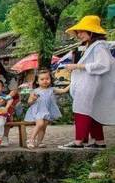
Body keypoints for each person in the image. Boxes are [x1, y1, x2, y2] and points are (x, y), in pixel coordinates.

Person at [58, 15, 115, 150]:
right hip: (91, 85)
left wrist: (78, 66)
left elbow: (104, 64)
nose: (79, 35)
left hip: (91, 85)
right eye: (78, 32)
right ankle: (99, 141)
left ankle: (78, 141)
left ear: (92, 32)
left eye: (82, 31)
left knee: (82, 110)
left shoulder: (99, 46)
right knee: (92, 111)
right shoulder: (93, 46)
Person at [25, 70, 67, 149]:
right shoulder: (35, 91)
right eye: (42, 79)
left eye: (47, 79)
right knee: (40, 124)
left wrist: (72, 83)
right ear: (37, 81)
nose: (45, 81)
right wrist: (33, 99)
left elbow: (63, 91)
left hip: (47, 111)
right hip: (38, 111)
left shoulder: (52, 89)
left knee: (43, 128)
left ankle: (39, 142)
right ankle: (31, 140)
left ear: (50, 79)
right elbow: (29, 102)